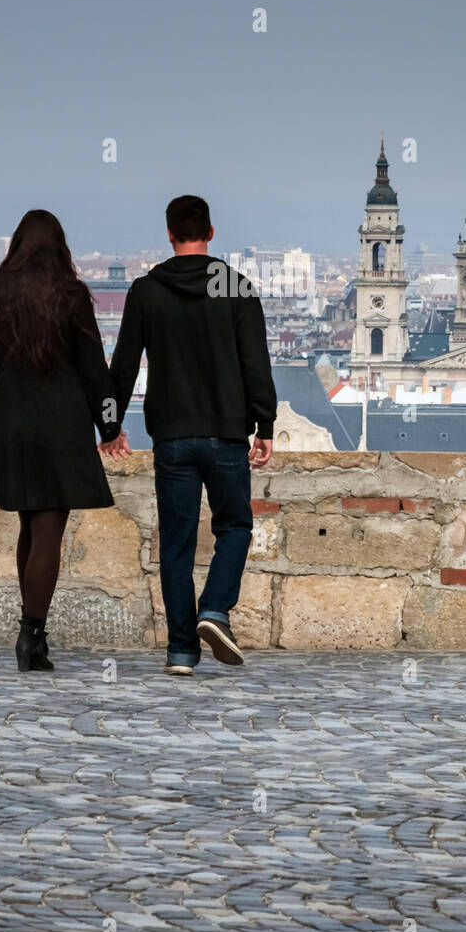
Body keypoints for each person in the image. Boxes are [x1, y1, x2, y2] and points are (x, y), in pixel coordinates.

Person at [0, 209, 129, 672]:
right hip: (61, 422)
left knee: (28, 525)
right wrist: (109, 427)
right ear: (60, 247)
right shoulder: (70, 295)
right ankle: (32, 635)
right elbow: (93, 370)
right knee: (48, 530)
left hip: (10, 423)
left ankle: (31, 633)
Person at [108, 195, 276, 676]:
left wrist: (109, 424)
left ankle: (182, 649)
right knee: (235, 528)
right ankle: (215, 609)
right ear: (211, 232)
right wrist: (264, 425)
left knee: (177, 544)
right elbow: (255, 365)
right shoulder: (236, 287)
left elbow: (121, 368)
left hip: (173, 438)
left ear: (168, 234)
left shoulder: (146, 291)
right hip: (225, 433)